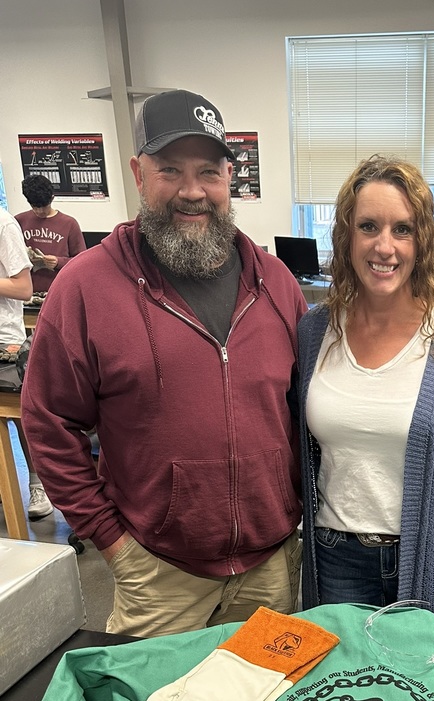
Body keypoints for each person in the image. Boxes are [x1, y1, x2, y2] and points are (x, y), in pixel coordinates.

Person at [22, 89, 307, 637]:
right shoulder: (85, 287)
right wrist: (112, 542)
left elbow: (302, 416)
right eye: (170, 170)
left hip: (273, 571)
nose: (192, 191)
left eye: (209, 171)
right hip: (157, 576)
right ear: (137, 173)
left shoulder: (276, 284)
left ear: (231, 177)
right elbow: (48, 423)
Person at [298, 155, 434, 630]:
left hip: (426, 559)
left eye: (403, 229)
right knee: (342, 688)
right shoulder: (315, 332)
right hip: (335, 558)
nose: (384, 247)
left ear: (423, 240)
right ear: (346, 236)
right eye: (368, 226)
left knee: (420, 694)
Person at [0, 207, 54, 519]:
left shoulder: (5, 225)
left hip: (4, 336)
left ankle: (39, 486)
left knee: (21, 416)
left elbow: (23, 288)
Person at [15, 175, 86, 293]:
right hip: (27, 292)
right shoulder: (19, 221)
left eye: (44, 206)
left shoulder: (69, 224)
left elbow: (82, 262)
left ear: (52, 199)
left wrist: (58, 262)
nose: (40, 211)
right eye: (35, 207)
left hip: (59, 290)